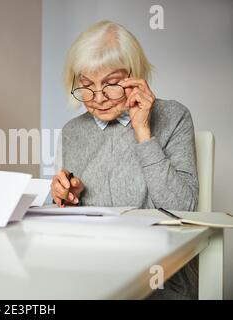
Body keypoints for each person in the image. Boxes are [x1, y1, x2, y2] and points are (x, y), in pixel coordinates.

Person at [50, 20, 199, 299]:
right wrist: (66, 195)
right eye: (86, 86)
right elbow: (70, 224)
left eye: (112, 84)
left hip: (161, 273)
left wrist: (143, 132)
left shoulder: (175, 116)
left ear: (134, 76)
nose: (98, 98)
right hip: (92, 269)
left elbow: (184, 209)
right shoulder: (73, 131)